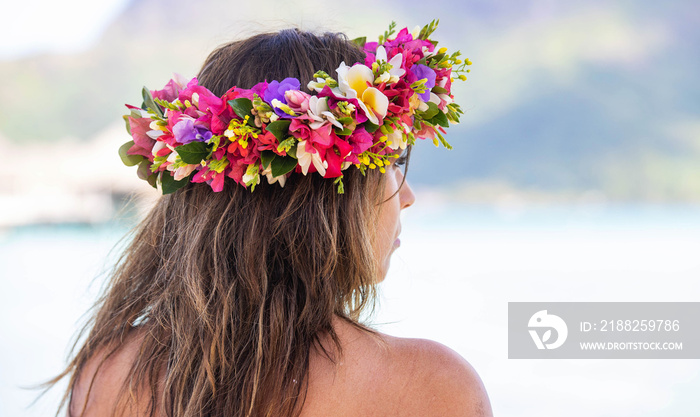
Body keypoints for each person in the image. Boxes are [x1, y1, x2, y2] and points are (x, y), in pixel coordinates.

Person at [50, 23, 492, 417]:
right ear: (323, 192)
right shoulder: (430, 388)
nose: (407, 196)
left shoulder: (106, 374)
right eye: (392, 161)